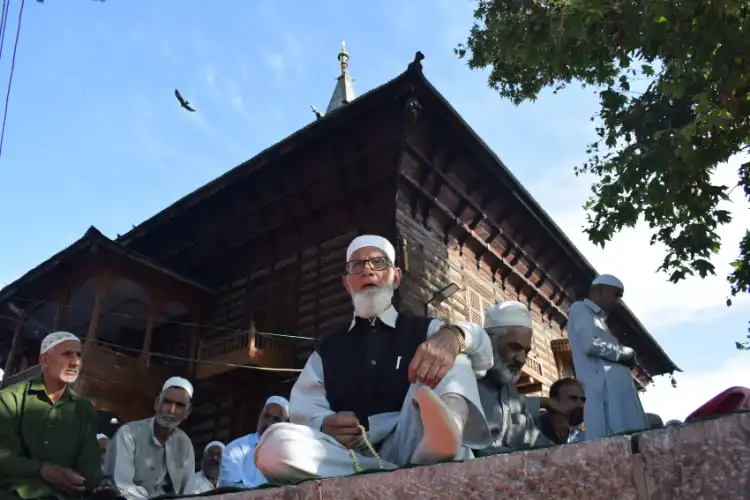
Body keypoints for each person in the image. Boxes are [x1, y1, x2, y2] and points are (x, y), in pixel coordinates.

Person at [255, 235, 493, 483]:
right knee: (273, 446)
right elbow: (305, 408)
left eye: (378, 263)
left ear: (396, 277)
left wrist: (454, 336)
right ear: (347, 283)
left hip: (415, 439)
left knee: (452, 351)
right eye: (357, 265)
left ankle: (447, 435)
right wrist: (324, 424)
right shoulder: (326, 350)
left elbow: (484, 354)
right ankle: (386, 474)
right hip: (349, 455)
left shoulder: (426, 330)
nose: (367, 270)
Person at [0, 331, 113, 500]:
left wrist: (100, 484)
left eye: (78, 355)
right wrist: (43, 470)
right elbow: (4, 458)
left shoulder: (84, 410)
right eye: (67, 354)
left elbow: (88, 468)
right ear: (44, 360)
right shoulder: (10, 399)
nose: (75, 362)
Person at [567, 274, 649, 440]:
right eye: (616, 295)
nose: (618, 301)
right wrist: (624, 353)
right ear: (599, 290)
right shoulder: (580, 309)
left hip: (617, 396)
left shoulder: (601, 321)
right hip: (604, 395)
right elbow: (590, 344)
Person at [473, 301, 560, 455]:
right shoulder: (465, 381)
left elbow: (539, 444)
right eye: (514, 347)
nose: (521, 359)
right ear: (490, 341)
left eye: (526, 352)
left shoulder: (514, 398)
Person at [103, 377, 196, 499]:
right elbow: (124, 487)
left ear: (187, 412)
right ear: (157, 403)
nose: (171, 410)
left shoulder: (185, 444)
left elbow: (189, 493)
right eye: (167, 402)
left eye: (179, 405)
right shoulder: (128, 434)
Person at [218, 396, 289, 489]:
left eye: (276, 419)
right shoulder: (236, 448)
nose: (268, 423)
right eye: (266, 416)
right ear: (259, 416)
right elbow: (230, 487)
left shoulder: (287, 458)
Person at [536, 378, 586, 445]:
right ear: (554, 401)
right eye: (573, 398)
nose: (580, 405)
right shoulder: (534, 424)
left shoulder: (580, 435)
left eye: (583, 400)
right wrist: (544, 402)